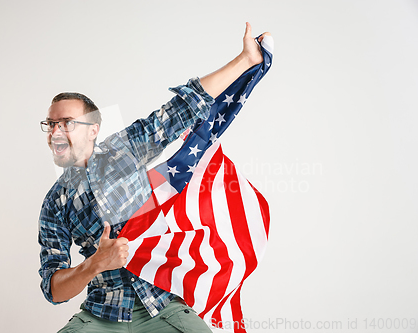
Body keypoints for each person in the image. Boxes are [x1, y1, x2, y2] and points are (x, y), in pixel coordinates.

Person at [38, 23, 271, 332]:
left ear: (93, 129)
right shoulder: (55, 203)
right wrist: (94, 264)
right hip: (100, 314)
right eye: (50, 124)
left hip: (163, 307)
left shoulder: (123, 151)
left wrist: (245, 59)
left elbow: (180, 110)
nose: (55, 132)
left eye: (66, 123)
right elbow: (53, 290)